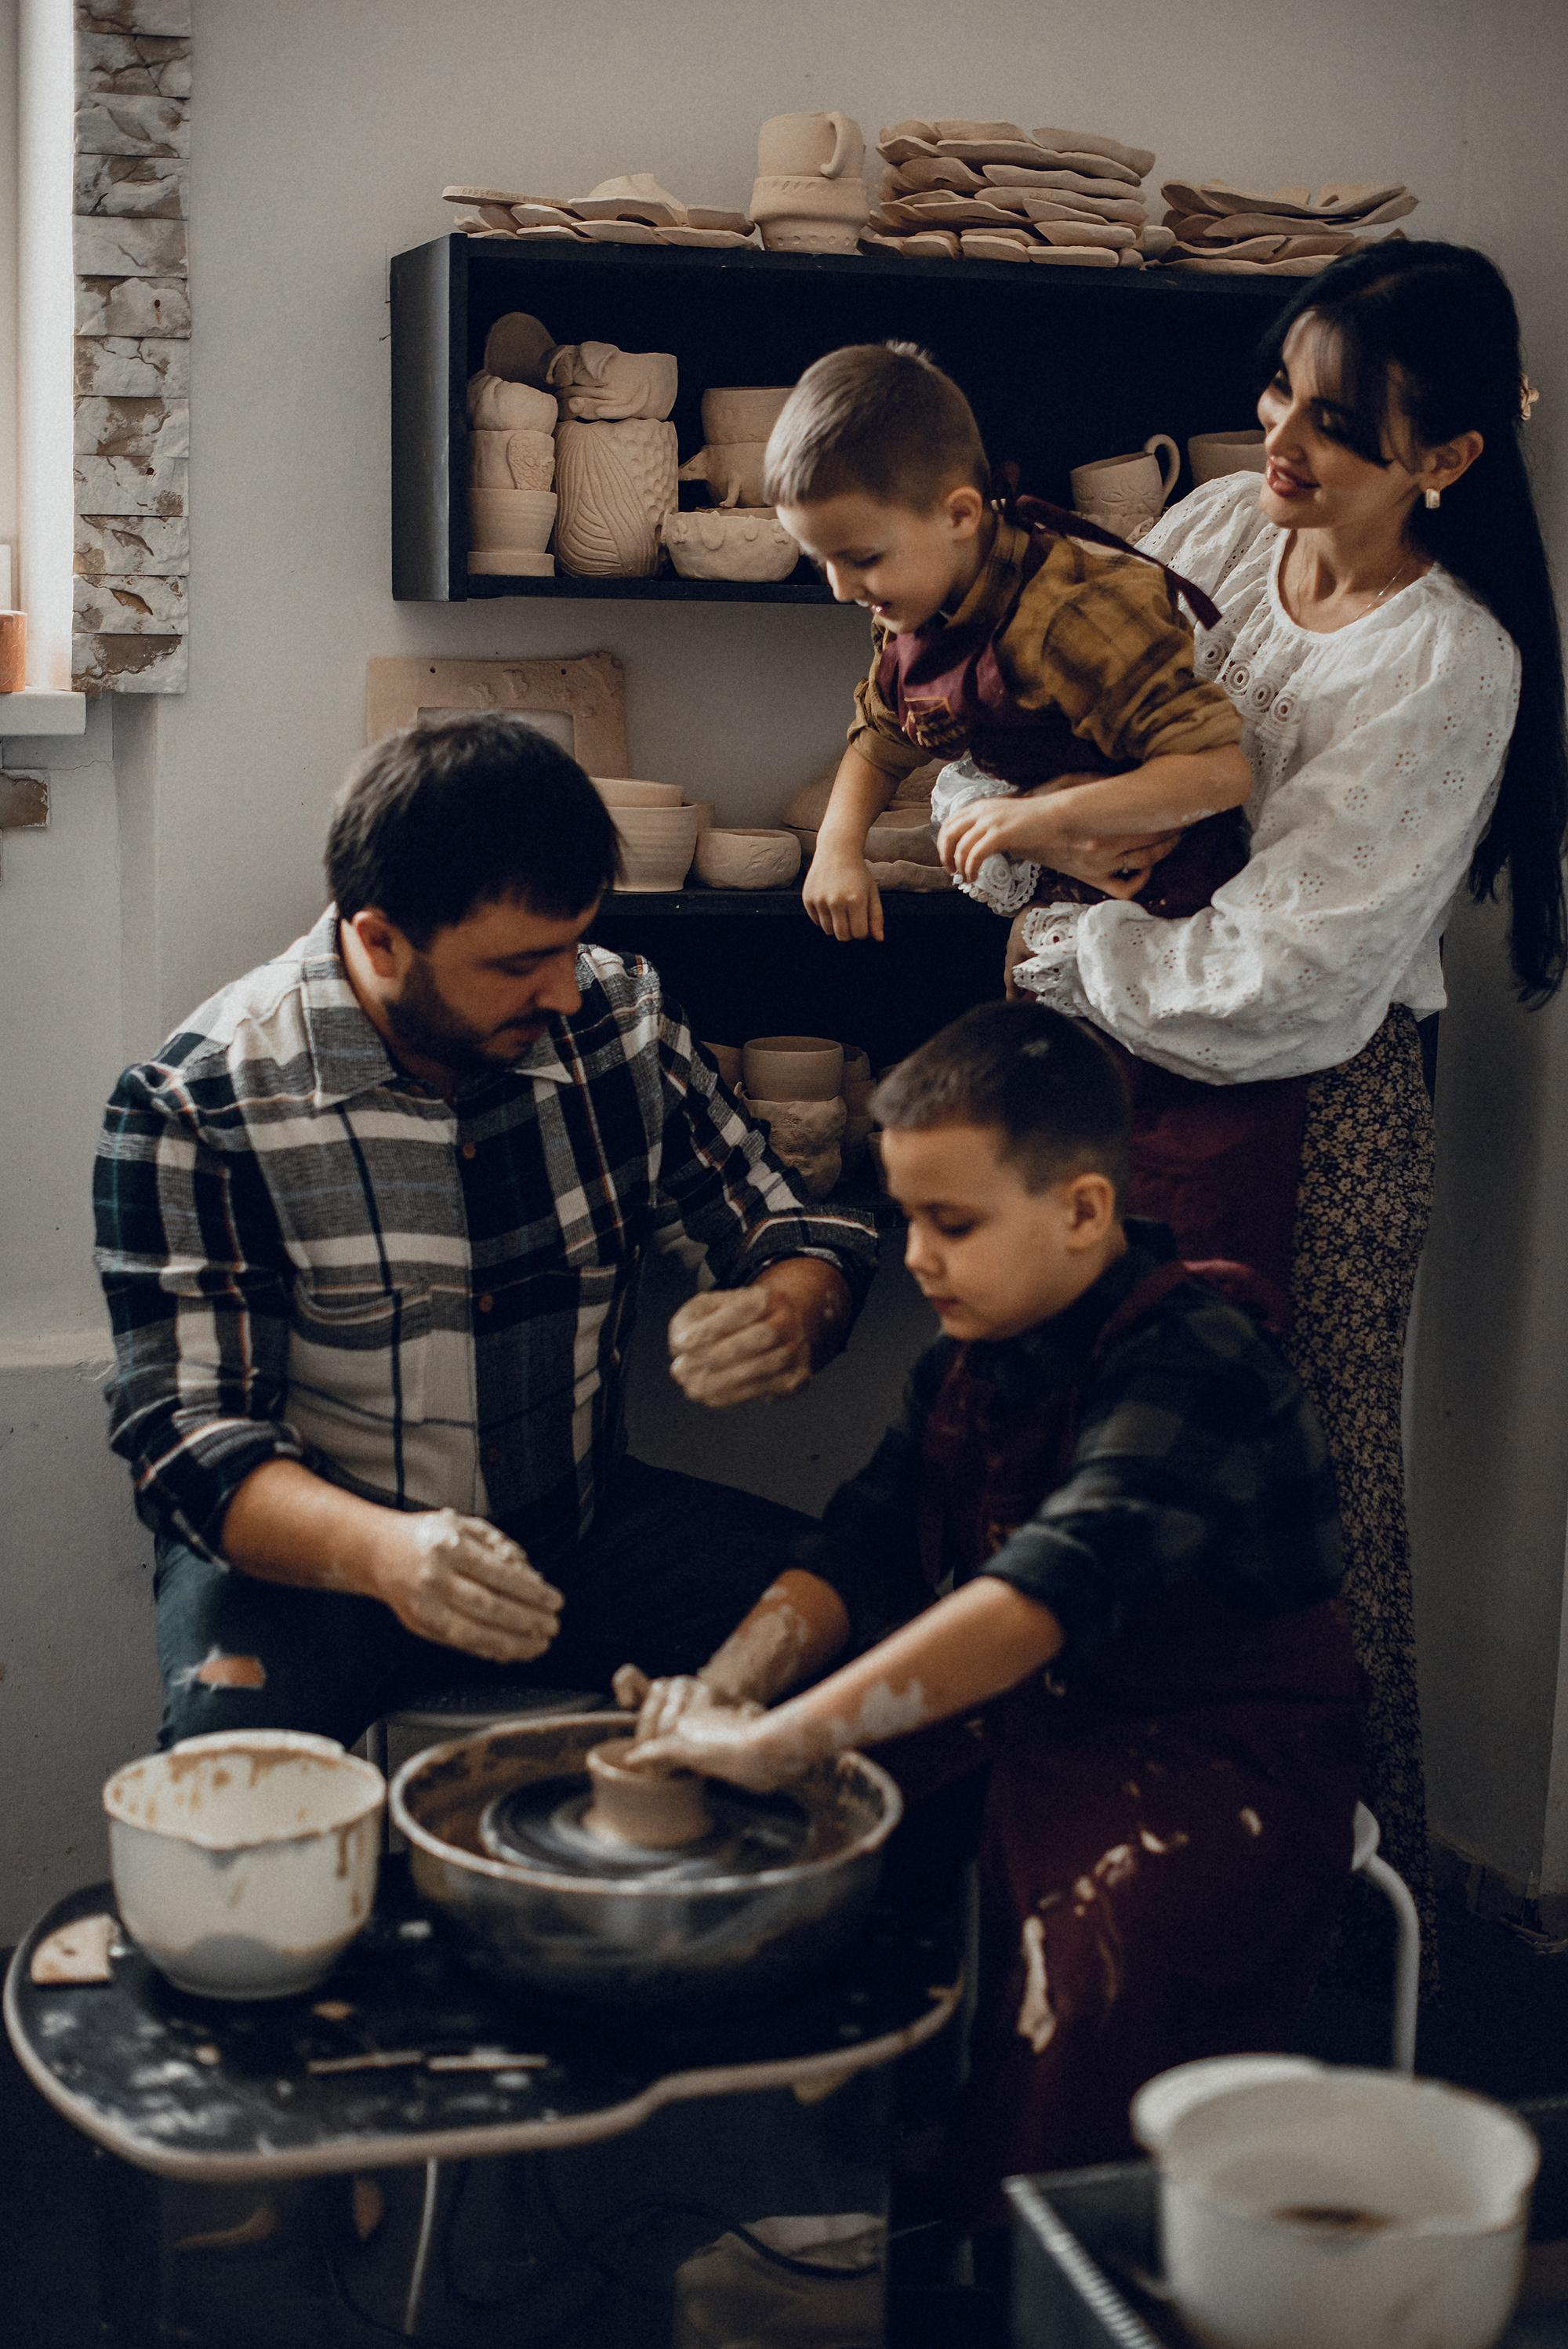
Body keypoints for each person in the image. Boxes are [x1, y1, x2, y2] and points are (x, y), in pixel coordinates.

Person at [1007, 241, 1568, 1944]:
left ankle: (1332, 1913)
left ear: (1448, 461)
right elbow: (1045, 744)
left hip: (1319, 1114)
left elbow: (1286, 975)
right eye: (1277, 392)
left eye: (1336, 424)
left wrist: (1056, 929)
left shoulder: (1445, 663)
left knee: (1298, 1514)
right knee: (1093, 1471)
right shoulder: (1212, 538)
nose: (1280, 443)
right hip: (1122, 1069)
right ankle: (1113, 1881)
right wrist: (1046, 854)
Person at [620, 1003, 1362, 2206]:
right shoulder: (973, 1349)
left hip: (1222, 1753)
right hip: (1045, 1712)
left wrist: (779, 1739)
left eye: (950, 1224)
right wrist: (728, 1684)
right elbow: (860, 1546)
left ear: (1082, 1209)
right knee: (819, 1866)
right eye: (908, 1217)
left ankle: (1048, 2246)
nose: (914, 1259)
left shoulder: (1199, 1359)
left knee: (1078, 1971)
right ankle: (896, 2174)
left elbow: (1035, 1599)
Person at [93, 717, 878, 1749]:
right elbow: (183, 1444)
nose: (563, 992)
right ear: (377, 940)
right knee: (234, 1818)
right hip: (315, 1566)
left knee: (880, 1623)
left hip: (578, 1533)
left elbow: (791, 1221)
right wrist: (389, 1554)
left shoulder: (615, 1017)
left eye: (575, 944)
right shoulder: (200, 1102)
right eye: (519, 965)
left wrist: (792, 1307)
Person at [768, 339, 1256, 948]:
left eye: (862, 558)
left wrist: (1034, 818)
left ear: (961, 515)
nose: (842, 589)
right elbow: (882, 738)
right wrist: (838, 851)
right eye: (823, 562)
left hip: (1180, 905)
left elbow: (1220, 774)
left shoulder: (1075, 615)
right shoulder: (913, 601)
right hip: (1066, 885)